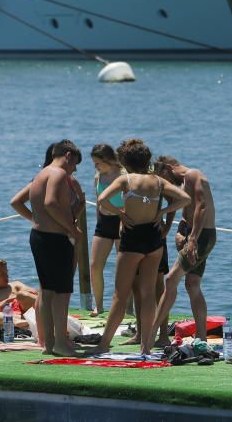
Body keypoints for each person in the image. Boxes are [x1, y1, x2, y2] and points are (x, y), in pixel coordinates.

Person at [91, 138, 190, 355]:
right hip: (153, 238)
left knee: (120, 294)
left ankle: (104, 343)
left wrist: (120, 214)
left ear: (126, 162)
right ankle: (146, 345)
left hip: (133, 238)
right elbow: (184, 198)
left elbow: (102, 200)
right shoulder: (158, 181)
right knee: (147, 294)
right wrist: (162, 214)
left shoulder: (126, 179)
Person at [10, 140, 84, 356]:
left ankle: (50, 343)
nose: (74, 169)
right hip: (55, 239)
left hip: (39, 236)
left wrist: (36, 219)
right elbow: (51, 203)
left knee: (49, 292)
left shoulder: (41, 174)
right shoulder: (58, 173)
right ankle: (60, 342)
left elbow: (19, 202)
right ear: (68, 155)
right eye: (74, 164)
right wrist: (72, 229)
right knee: (61, 292)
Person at [150, 155, 218, 343]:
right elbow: (187, 211)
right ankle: (202, 338)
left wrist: (193, 239)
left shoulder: (193, 175)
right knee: (192, 284)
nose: (167, 184)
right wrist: (180, 232)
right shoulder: (185, 183)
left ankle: (152, 336)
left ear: (167, 168)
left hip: (202, 235)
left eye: (165, 179)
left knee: (171, 279)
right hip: (195, 234)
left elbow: (202, 206)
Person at [89, 144, 124, 317]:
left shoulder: (124, 175)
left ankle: (127, 306)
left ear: (107, 160)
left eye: (97, 163)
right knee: (95, 265)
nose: (96, 167)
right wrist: (99, 220)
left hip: (122, 220)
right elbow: (98, 201)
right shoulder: (98, 176)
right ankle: (99, 305)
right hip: (104, 222)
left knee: (123, 267)